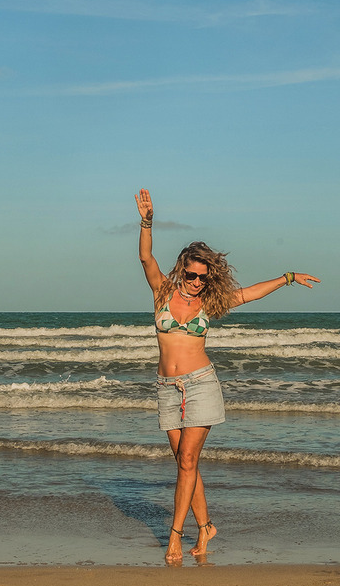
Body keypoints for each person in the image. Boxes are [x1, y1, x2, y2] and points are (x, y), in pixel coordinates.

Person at [135, 188, 320, 563]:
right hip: (167, 388)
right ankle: (206, 527)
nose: (195, 282)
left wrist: (286, 277)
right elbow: (145, 257)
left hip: (201, 385)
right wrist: (147, 222)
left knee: (188, 460)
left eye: (202, 277)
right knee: (185, 464)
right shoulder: (161, 291)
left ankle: (175, 537)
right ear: (182, 269)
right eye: (191, 275)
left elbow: (249, 293)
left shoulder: (210, 301)